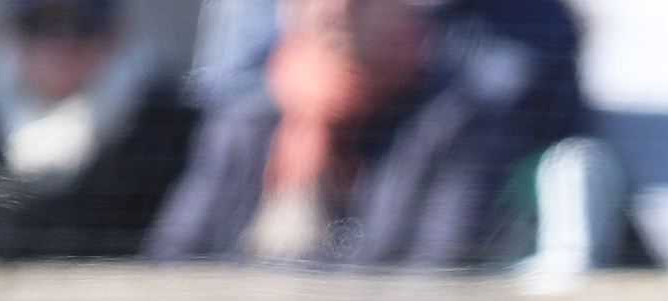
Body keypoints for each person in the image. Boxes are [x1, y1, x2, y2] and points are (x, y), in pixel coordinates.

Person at [147, 0, 564, 267]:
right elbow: (173, 260)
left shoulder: (457, 127)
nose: (335, 11)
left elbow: (439, 274)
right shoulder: (244, 129)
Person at [0, 0, 195, 261]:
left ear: (114, 36)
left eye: (81, 26)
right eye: (40, 26)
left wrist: (45, 225)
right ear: (11, 34)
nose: (61, 44)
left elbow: (167, 247)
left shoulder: (166, 131)